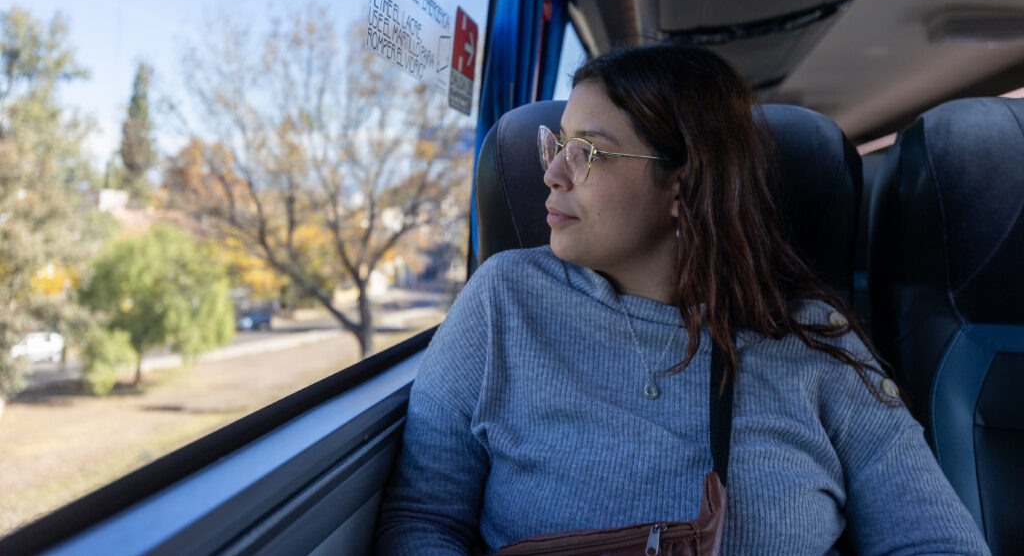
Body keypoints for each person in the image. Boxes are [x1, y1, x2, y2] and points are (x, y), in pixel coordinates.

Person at [375, 45, 990, 554]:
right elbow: (425, 520)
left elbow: (934, 541)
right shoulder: (502, 303)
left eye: (586, 151)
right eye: (556, 143)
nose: (553, 172)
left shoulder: (813, 341)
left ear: (682, 183)